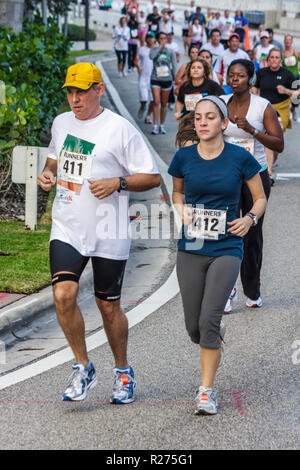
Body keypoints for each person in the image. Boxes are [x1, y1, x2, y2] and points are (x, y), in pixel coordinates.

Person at [37, 62, 160, 404]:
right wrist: (48, 174)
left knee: (108, 308)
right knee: (63, 294)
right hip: (68, 224)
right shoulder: (62, 123)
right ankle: (82, 366)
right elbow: (53, 159)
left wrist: (117, 182)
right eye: (70, 92)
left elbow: (151, 177)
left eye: (82, 92)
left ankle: (122, 371)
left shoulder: (119, 130)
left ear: (99, 90)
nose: (75, 99)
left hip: (109, 229)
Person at [168, 95, 267, 415]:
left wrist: (249, 218)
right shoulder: (183, 158)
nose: (203, 122)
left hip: (227, 246)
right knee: (193, 328)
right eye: (198, 118)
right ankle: (211, 333)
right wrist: (180, 210)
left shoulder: (240, 158)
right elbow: (177, 192)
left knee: (209, 321)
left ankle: (206, 391)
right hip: (192, 246)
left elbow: (259, 198)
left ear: (224, 123)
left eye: (210, 117)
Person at [222, 59, 283, 311]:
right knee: (225, 232)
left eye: (240, 76)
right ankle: (227, 289)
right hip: (225, 177)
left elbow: (278, 144)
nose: (235, 79)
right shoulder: (220, 102)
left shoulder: (262, 107)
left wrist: (252, 131)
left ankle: (252, 289)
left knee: (251, 235)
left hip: (254, 177)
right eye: (231, 75)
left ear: (251, 79)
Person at [253, 47, 295, 181]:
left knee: (275, 141)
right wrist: (255, 92)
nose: (274, 60)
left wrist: (286, 91)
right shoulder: (261, 73)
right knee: (269, 139)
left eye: (277, 57)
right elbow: (253, 86)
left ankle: (271, 161)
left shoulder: (288, 74)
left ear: (281, 59)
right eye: (272, 57)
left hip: (281, 110)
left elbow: (297, 95)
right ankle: (268, 173)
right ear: (268, 59)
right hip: (264, 109)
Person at [149, 31, 177, 134]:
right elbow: (151, 57)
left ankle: (162, 125)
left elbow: (174, 66)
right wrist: (159, 47)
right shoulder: (154, 49)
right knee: (156, 101)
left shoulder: (170, 51)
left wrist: (176, 80)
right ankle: (155, 125)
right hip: (155, 78)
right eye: (161, 38)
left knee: (164, 103)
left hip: (167, 79)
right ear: (157, 39)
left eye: (164, 38)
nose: (163, 40)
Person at [282, 34, 300, 121]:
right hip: (286, 78)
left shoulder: (296, 52)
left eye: (289, 39)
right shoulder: (282, 53)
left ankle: (293, 110)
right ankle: (285, 113)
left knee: (296, 97)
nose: (288, 41)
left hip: (295, 77)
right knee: (285, 95)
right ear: (284, 41)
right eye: (286, 39)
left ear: (292, 41)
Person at [137, 33, 155, 121]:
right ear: (146, 39)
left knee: (153, 99)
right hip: (143, 77)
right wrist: (138, 66)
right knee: (144, 98)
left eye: (152, 38)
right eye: (149, 38)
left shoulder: (156, 49)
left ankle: (148, 116)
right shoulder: (141, 49)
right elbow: (135, 60)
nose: (151, 39)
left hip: (154, 78)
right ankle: (143, 106)